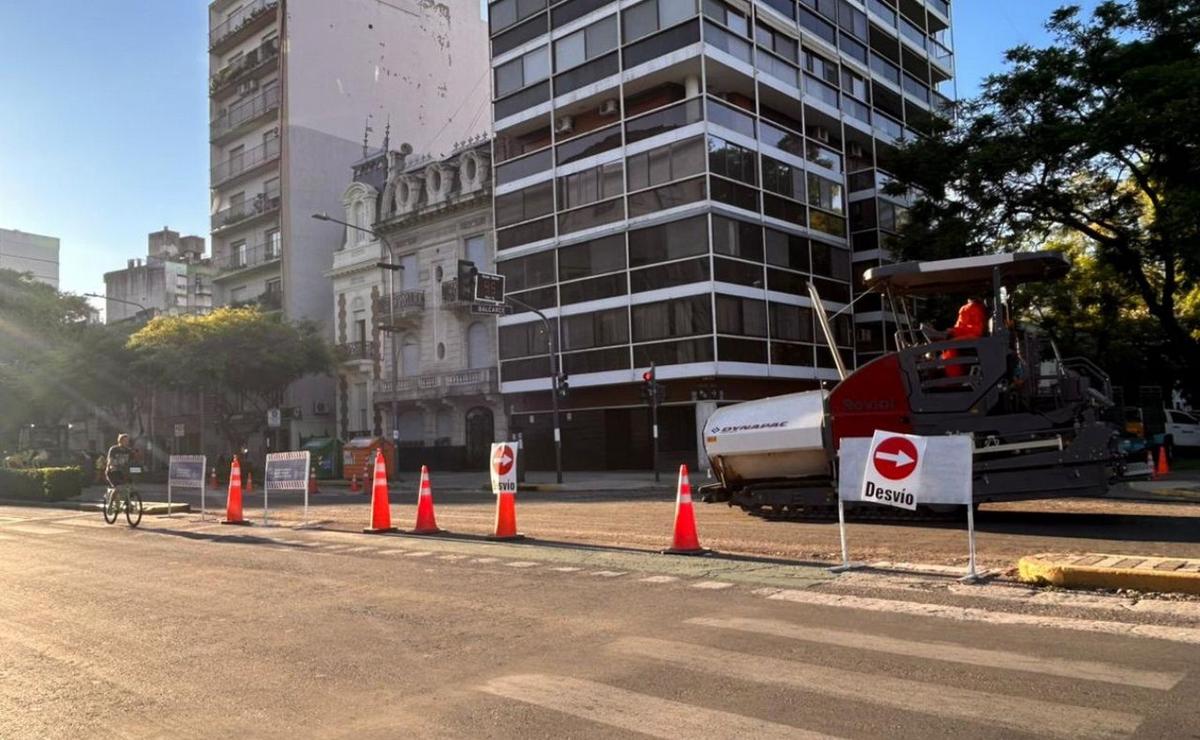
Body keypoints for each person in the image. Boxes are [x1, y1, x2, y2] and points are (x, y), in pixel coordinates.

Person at [922, 297, 988, 377]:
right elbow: (961, 326)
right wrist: (951, 331)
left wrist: (952, 333)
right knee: (948, 344)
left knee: (950, 345)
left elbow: (977, 331)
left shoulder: (974, 308)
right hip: (968, 336)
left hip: (974, 339)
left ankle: (953, 377)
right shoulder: (968, 308)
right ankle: (942, 337)